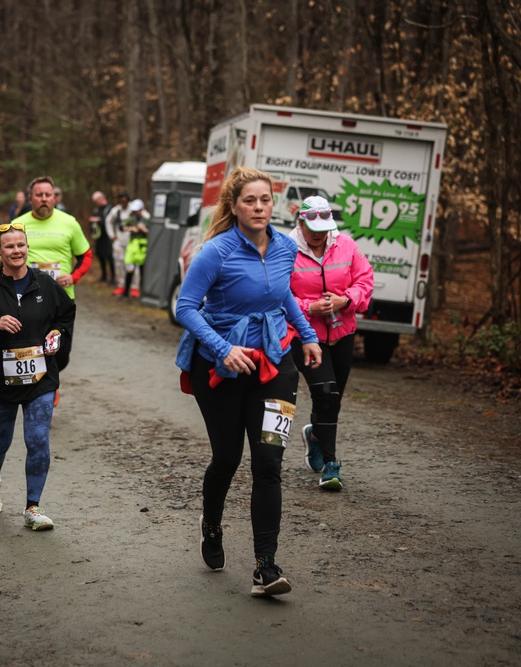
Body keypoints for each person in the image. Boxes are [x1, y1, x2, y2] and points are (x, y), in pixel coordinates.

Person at [174, 167, 322, 598]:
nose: (259, 208)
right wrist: (223, 349)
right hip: (221, 369)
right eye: (249, 201)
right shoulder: (215, 252)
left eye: (265, 200)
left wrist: (308, 336)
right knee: (227, 458)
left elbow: (284, 297)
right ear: (234, 207)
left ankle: (265, 566)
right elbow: (186, 308)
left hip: (274, 366)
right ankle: (212, 525)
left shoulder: (284, 248)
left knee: (269, 464)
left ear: (273, 205)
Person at [0, 222, 76, 531]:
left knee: (37, 439)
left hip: (40, 379)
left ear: (27, 248)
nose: (16, 251)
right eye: (9, 246)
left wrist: (57, 334)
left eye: (21, 245)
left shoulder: (45, 284)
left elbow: (66, 313)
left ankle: (33, 506)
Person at [288, 196, 374, 491]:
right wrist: (308, 309)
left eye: (324, 228)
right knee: (326, 393)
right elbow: (276, 294)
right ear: (300, 222)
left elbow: (365, 280)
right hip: (305, 334)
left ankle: (315, 434)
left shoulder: (346, 246)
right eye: (312, 228)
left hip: (343, 332)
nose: (319, 235)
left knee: (332, 398)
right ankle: (331, 463)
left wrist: (345, 300)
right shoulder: (286, 250)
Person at [14, 175, 91, 376]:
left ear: (55, 198)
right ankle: (43, 386)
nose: (44, 198)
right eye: (39, 195)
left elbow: (86, 255)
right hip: (27, 296)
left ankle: (51, 376)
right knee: (31, 345)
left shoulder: (69, 223)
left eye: (48, 195)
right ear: (31, 198)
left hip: (61, 297)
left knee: (61, 350)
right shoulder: (18, 225)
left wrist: (74, 277)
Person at [105, 192, 133, 296]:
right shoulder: (116, 210)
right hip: (119, 242)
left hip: (132, 242)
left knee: (132, 265)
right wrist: (112, 235)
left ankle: (134, 287)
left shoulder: (133, 209)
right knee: (119, 264)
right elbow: (108, 221)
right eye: (121, 200)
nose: (123, 202)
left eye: (125, 200)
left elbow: (145, 217)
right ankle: (121, 285)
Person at [122, 199, 150, 298]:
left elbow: (150, 232)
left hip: (142, 247)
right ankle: (125, 292)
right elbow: (122, 226)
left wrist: (143, 229)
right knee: (129, 270)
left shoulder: (147, 219)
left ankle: (142, 293)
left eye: (137, 210)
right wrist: (130, 228)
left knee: (142, 271)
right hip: (132, 247)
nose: (136, 212)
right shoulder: (131, 219)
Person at [89, 191, 114, 284]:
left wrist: (99, 220)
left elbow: (109, 222)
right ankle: (104, 275)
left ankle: (113, 277)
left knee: (109, 257)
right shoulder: (96, 209)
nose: (96, 203)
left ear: (101, 198)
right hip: (99, 237)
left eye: (97, 201)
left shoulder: (110, 209)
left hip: (108, 237)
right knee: (100, 256)